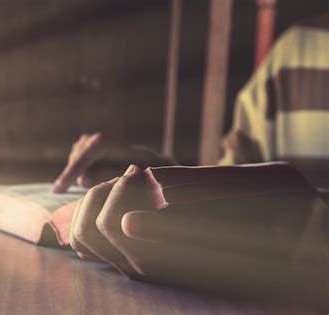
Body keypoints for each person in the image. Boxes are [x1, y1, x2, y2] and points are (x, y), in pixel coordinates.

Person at [52, 12, 329, 305]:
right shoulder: (297, 51)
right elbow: (237, 182)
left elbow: (271, 223)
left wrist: (292, 234)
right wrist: (161, 181)